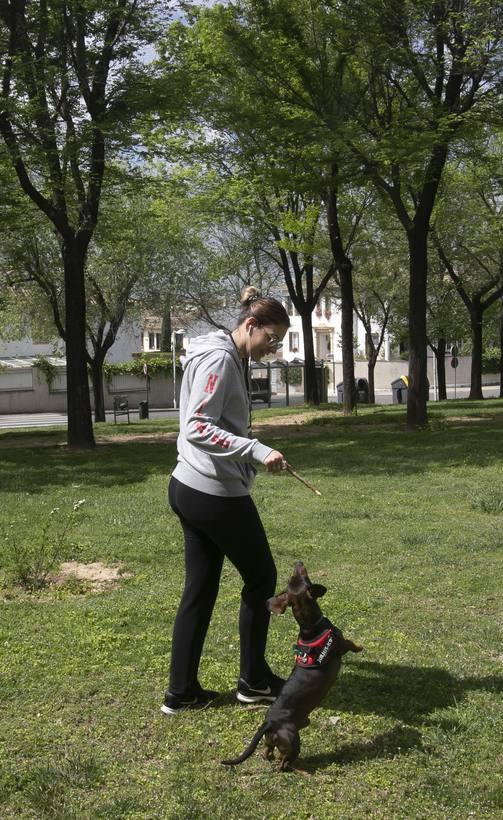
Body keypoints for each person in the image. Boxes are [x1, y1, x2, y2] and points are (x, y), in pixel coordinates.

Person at [161, 287, 290, 715]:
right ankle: (253, 682)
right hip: (211, 491)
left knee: (200, 589)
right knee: (261, 577)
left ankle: (181, 693)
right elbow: (197, 426)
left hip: (190, 486)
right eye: (270, 339)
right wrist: (255, 450)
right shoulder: (219, 358)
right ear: (250, 325)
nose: (273, 350)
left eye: (279, 344)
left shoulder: (229, 356)